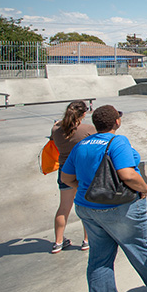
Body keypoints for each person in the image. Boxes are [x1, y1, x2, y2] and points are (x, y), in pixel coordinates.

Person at [61, 105, 147, 292]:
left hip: (87, 208)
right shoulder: (117, 142)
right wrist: (143, 189)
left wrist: (87, 190)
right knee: (138, 244)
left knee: (99, 256)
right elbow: (127, 174)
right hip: (118, 206)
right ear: (116, 122)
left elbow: (67, 177)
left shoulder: (81, 144)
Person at [49, 100, 94, 253]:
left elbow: (53, 138)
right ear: (83, 114)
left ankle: (58, 242)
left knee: (64, 207)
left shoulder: (56, 129)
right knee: (86, 205)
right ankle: (87, 240)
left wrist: (59, 123)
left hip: (65, 170)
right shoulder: (87, 129)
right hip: (83, 170)